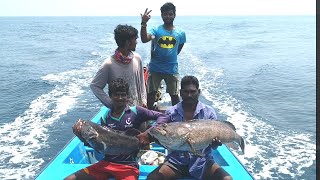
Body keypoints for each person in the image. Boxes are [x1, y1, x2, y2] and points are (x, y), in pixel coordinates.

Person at [65, 78, 169, 180]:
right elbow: (100, 147)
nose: (120, 98)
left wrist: (148, 134)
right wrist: (82, 137)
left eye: (123, 94)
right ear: (110, 96)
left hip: (128, 166)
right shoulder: (105, 117)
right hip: (106, 164)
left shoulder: (136, 111)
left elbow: (163, 116)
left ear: (127, 96)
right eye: (116, 95)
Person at [137, 75, 232, 180]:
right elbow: (163, 132)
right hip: (176, 162)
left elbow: (213, 147)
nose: (189, 95)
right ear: (180, 93)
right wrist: (150, 136)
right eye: (186, 92)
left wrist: (216, 143)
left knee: (227, 179)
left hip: (203, 162)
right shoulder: (171, 112)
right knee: (152, 178)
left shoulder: (209, 113)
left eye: (193, 91)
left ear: (199, 92)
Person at [140, 2, 186, 110]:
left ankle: (177, 118)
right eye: (165, 14)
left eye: (170, 14)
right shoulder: (156, 30)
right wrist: (143, 23)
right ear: (162, 15)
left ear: (174, 15)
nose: (168, 16)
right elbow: (144, 39)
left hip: (171, 69)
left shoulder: (181, 32)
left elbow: (178, 48)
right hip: (155, 68)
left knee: (174, 96)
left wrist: (170, 56)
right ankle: (148, 117)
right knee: (151, 95)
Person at [90, 24, 147, 109]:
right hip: (121, 114)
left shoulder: (137, 58)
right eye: (135, 39)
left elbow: (141, 82)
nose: (136, 42)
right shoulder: (108, 64)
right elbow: (95, 86)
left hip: (138, 110)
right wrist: (111, 104)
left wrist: (144, 100)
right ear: (128, 42)